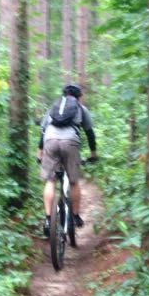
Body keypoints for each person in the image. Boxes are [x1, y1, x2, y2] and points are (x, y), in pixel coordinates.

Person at [37, 83, 97, 237]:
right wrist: (93, 154)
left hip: (50, 141)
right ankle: (76, 216)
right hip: (70, 142)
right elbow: (90, 133)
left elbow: (43, 132)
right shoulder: (80, 109)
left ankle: (48, 219)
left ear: (64, 95)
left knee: (50, 181)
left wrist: (39, 154)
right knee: (74, 181)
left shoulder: (54, 107)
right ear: (79, 97)